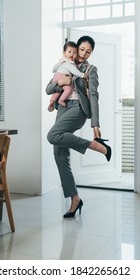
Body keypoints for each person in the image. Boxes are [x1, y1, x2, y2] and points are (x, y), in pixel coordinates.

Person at [46, 35, 112, 218]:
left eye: (88, 51)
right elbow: (48, 89)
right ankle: (75, 199)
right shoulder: (64, 63)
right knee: (59, 153)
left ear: (91, 53)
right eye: (81, 49)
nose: (83, 54)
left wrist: (95, 123)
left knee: (52, 135)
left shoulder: (90, 69)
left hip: (77, 110)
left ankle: (95, 145)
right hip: (62, 108)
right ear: (76, 48)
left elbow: (94, 96)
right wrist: (60, 82)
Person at [48, 41, 87, 112]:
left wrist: (59, 64)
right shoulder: (69, 63)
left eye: (74, 53)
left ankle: (52, 101)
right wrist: (83, 75)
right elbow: (75, 71)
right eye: (69, 52)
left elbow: (53, 70)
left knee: (58, 91)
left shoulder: (62, 61)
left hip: (56, 76)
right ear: (64, 53)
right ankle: (61, 100)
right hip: (62, 76)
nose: (72, 54)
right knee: (68, 89)